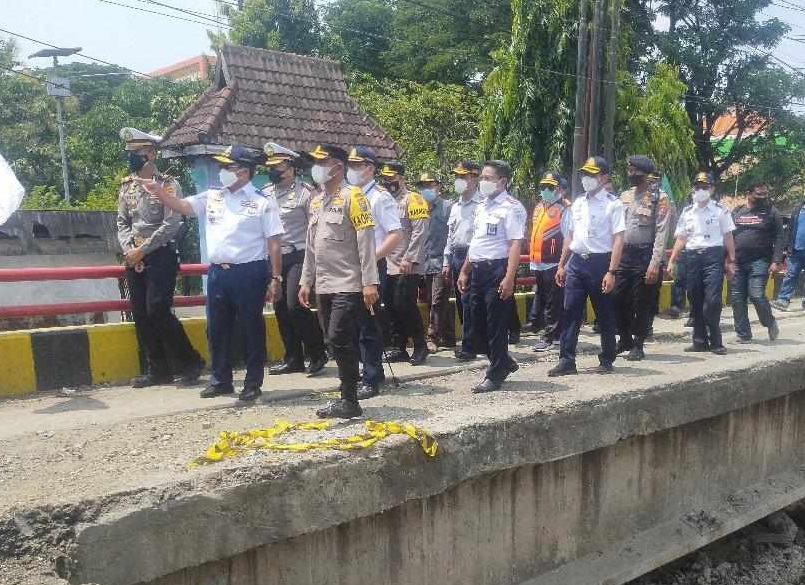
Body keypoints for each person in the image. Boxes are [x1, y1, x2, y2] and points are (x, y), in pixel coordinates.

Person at [142, 144, 284, 401]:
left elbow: (274, 241)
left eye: (227, 167)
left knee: (251, 327)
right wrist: (160, 193)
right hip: (218, 272)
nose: (222, 172)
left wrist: (276, 277)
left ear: (243, 172)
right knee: (216, 328)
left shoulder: (262, 201)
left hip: (249, 271)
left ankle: (252, 382)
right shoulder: (213, 196)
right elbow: (183, 206)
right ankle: (221, 379)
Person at [116, 127, 203, 388]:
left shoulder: (167, 184)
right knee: (141, 314)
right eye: (130, 153)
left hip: (160, 255)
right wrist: (130, 250)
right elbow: (122, 222)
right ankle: (158, 369)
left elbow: (171, 224)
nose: (132, 157)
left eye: (138, 152)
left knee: (158, 310)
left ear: (151, 154)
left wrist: (143, 250)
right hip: (134, 256)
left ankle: (191, 361)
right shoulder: (127, 186)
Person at [299, 144, 379, 418]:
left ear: (338, 166)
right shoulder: (317, 200)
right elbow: (311, 245)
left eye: (323, 161)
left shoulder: (353, 197)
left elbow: (366, 241)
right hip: (323, 284)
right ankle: (349, 397)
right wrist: (305, 280)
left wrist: (370, 282)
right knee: (333, 340)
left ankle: (349, 399)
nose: (317, 167)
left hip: (348, 282)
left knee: (338, 336)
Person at [549, 156, 625, 377]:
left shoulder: (613, 204)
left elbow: (619, 239)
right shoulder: (579, 203)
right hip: (576, 262)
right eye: (585, 174)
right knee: (570, 311)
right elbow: (570, 236)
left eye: (592, 175)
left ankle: (607, 357)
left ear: (604, 177)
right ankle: (566, 360)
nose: (587, 179)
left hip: (600, 263)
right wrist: (562, 264)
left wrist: (611, 271)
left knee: (604, 313)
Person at [457, 160, 526, 393]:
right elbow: (476, 241)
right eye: (482, 178)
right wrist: (465, 269)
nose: (483, 182)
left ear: (502, 181)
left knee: (496, 324)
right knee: (476, 324)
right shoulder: (481, 205)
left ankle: (495, 373)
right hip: (478, 268)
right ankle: (503, 362)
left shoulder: (511, 207)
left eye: (488, 178)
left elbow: (515, 244)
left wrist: (509, 277)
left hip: (498, 269)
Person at [262, 143, 328, 377]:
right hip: (276, 258)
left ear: (290, 168)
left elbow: (316, 228)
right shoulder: (266, 192)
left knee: (295, 306)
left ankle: (317, 352)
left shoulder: (306, 192)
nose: (273, 170)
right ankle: (293, 358)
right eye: (271, 166)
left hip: (300, 255)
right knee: (280, 308)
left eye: (278, 166)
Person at [345, 146, 402, 400]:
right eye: (350, 165)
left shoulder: (380, 197)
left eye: (356, 166)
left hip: (371, 265)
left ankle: (371, 377)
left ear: (369, 168)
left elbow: (395, 235)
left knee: (368, 323)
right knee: (351, 322)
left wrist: (371, 258)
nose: (351, 170)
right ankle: (360, 372)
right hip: (348, 267)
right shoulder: (347, 195)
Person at [668, 172, 736, 355]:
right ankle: (699, 341)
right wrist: (672, 259)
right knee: (694, 298)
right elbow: (681, 238)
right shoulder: (687, 212)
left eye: (704, 187)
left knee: (713, 300)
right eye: (697, 187)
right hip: (692, 257)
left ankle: (716, 341)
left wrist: (731, 260)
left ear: (712, 189)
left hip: (713, 256)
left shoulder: (720, 210)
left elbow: (728, 236)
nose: (700, 191)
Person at [613, 155, 671, 361]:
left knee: (641, 302)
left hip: (645, 254)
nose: (630, 175)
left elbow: (662, 232)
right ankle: (625, 338)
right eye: (628, 171)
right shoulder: (624, 196)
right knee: (617, 298)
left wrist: (655, 263)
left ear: (644, 173)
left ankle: (638, 343)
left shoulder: (659, 198)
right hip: (624, 254)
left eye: (634, 171)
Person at [380, 161, 430, 366]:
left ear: (402, 178)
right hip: (388, 263)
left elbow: (420, 232)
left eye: (392, 178)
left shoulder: (414, 200)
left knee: (405, 305)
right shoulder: (383, 201)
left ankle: (420, 345)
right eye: (385, 178)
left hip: (407, 263)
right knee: (390, 306)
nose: (388, 182)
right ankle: (399, 347)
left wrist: (410, 257)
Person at [730, 181, 783, 342]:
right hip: (738, 261)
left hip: (760, 260)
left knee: (757, 295)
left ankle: (769, 322)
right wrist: (727, 260)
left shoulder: (772, 212)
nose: (763, 197)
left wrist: (776, 260)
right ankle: (743, 334)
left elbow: (780, 237)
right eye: (759, 194)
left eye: (765, 194)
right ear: (749, 193)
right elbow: (728, 236)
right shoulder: (737, 212)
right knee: (737, 297)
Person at [443, 161, 482, 360]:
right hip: (456, 255)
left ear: (474, 179)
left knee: (470, 303)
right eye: (457, 176)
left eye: (463, 176)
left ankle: (469, 347)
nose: (459, 181)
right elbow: (450, 235)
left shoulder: (481, 204)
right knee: (461, 302)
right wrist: (446, 260)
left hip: (472, 256)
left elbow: (478, 238)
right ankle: (474, 342)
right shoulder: (455, 205)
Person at [528, 172, 571, 353]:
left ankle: (550, 336)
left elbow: (569, 239)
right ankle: (553, 331)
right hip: (538, 262)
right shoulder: (539, 207)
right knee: (543, 297)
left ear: (559, 189)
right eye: (543, 187)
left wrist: (562, 264)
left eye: (550, 187)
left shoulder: (564, 209)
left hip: (553, 263)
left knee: (553, 302)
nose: (546, 190)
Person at [418, 172, 455, 353]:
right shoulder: (418, 208)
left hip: (442, 261)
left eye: (430, 185)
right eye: (423, 186)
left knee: (437, 300)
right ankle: (448, 335)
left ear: (438, 186)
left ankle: (432, 337)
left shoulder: (448, 207)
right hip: (424, 262)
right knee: (433, 300)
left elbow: (453, 233)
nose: (427, 189)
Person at [772, 195, 805, 311]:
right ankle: (783, 300)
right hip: (796, 249)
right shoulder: (797, 210)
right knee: (791, 274)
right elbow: (790, 230)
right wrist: (786, 248)